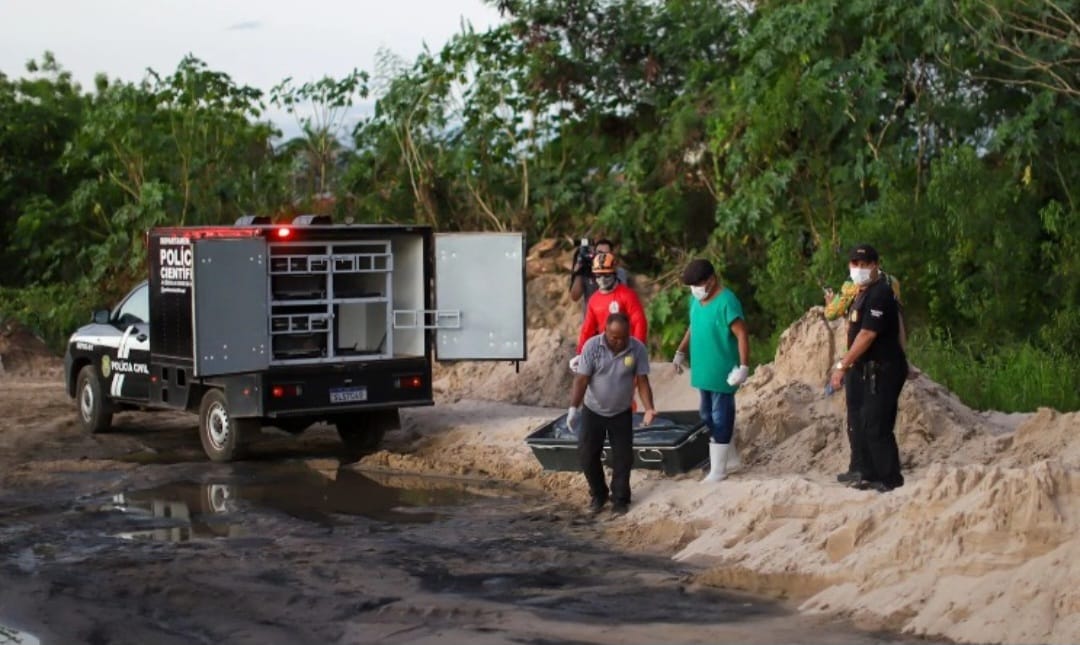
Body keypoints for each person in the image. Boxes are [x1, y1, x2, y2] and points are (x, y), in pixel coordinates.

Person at [823, 264, 913, 485]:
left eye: (862, 265)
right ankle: (862, 470)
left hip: (874, 362)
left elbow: (835, 314)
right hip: (861, 361)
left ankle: (886, 476)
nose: (858, 272)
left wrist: (842, 365)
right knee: (858, 417)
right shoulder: (888, 285)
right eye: (855, 265)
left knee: (874, 421)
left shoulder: (866, 289)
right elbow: (899, 324)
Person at [567, 312, 657, 515]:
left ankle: (620, 500)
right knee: (587, 455)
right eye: (614, 337)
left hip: (622, 412)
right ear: (605, 331)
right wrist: (573, 408)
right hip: (593, 410)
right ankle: (598, 494)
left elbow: (642, 381)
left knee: (624, 458)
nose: (619, 342)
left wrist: (649, 408)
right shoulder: (591, 347)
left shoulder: (637, 348)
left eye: (623, 337)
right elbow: (581, 379)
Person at [671, 259, 750, 483]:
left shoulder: (727, 301)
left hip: (723, 371)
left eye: (698, 284)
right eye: (691, 286)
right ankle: (730, 458)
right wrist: (680, 351)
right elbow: (693, 326)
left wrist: (744, 366)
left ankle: (718, 470)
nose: (695, 289)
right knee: (706, 416)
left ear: (711, 280)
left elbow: (742, 334)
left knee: (720, 416)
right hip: (703, 370)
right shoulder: (696, 301)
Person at [571, 251, 648, 363]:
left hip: (627, 350)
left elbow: (640, 323)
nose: (602, 279)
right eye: (598, 275)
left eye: (606, 275)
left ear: (614, 273)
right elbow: (587, 330)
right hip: (605, 352)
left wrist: (637, 350)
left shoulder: (627, 295)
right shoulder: (594, 300)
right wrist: (580, 354)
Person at [569, 238, 631, 310]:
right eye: (599, 253)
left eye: (605, 254)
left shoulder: (619, 272)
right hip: (590, 318)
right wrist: (579, 271)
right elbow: (574, 297)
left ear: (612, 255)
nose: (602, 257)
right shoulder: (587, 271)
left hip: (613, 317)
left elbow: (622, 296)